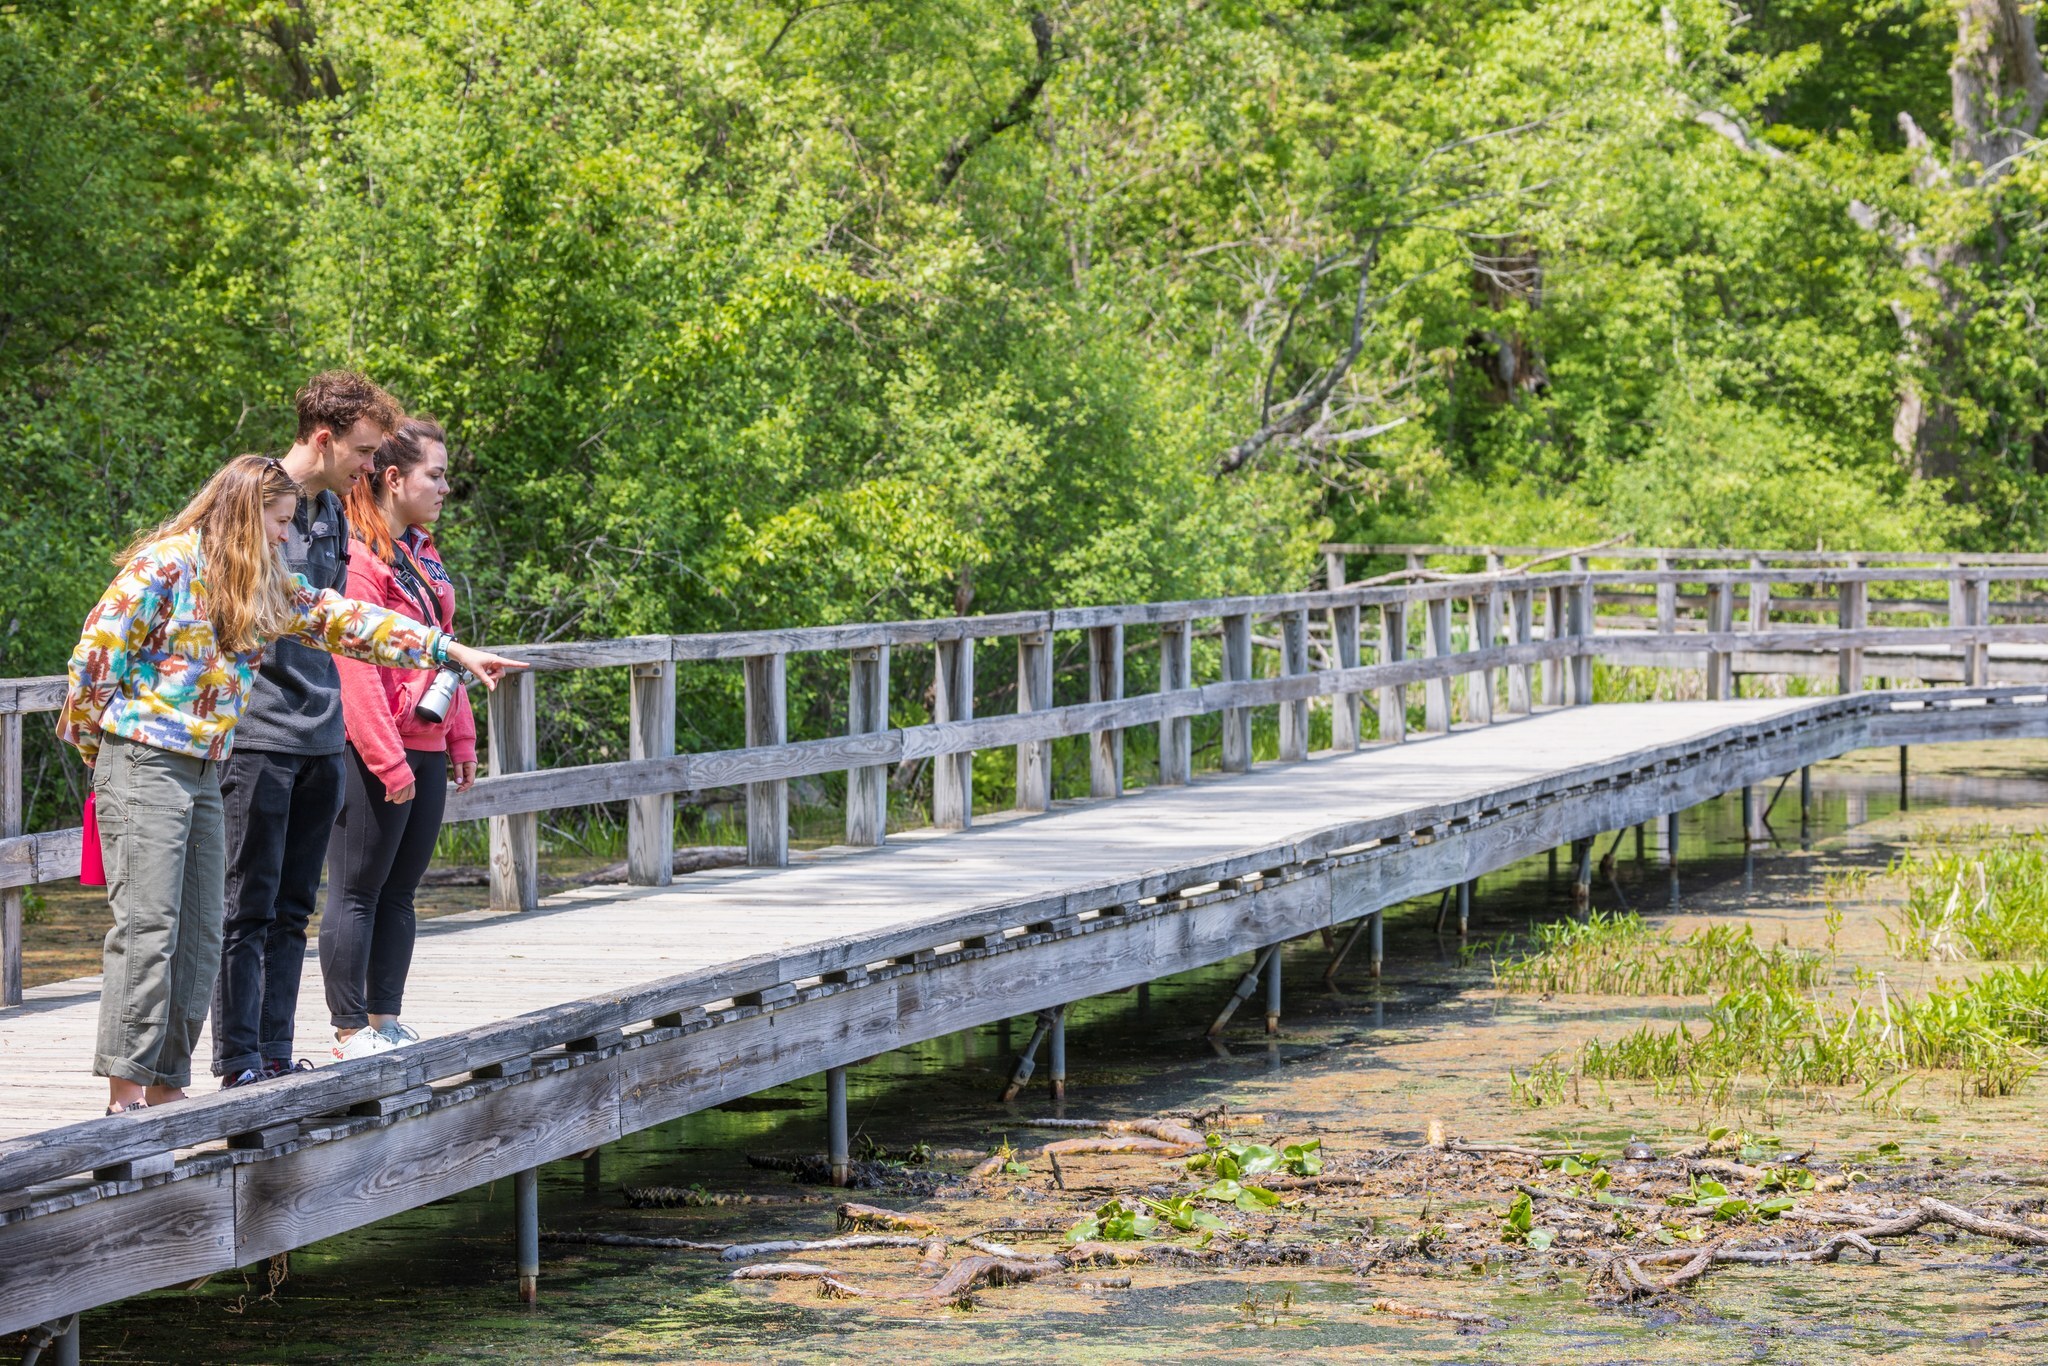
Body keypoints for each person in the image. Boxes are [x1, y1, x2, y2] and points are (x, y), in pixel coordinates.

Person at [57, 455, 524, 1114]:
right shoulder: (165, 566)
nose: (285, 535)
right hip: (142, 757)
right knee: (149, 925)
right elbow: (94, 660)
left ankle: (168, 1087)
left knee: (199, 930)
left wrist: (449, 652)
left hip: (205, 763)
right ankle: (125, 1093)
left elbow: (345, 621)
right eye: (278, 522)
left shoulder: (260, 584)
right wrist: (95, 750)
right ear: (248, 514)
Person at [211, 372, 400, 1089]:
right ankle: (238, 1063)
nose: (369, 467)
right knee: (246, 906)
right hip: (258, 736)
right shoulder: (253, 501)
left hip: (323, 736)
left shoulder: (336, 515)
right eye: (361, 450)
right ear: (323, 438)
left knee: (295, 908)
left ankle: (278, 1054)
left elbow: (339, 624)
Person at [321, 418, 472, 1060]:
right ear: (393, 478)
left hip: (428, 743)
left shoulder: (423, 554)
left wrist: (460, 740)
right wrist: (386, 758)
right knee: (357, 888)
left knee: (402, 891)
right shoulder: (360, 556)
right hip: (373, 748)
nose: (444, 487)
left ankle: (385, 1017)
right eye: (433, 475)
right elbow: (355, 668)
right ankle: (349, 1028)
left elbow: (446, 653)